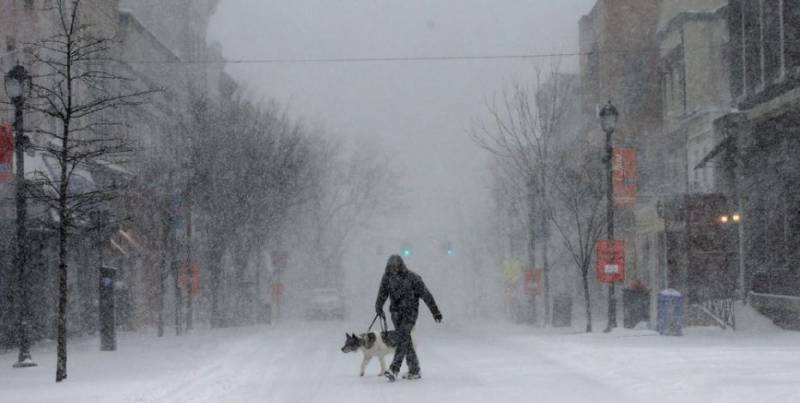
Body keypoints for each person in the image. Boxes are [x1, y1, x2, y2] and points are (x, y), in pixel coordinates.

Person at [375, 254, 442, 381]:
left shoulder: (413, 278)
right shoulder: (387, 277)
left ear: (401, 266)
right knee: (405, 340)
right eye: (391, 268)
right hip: (395, 314)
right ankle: (414, 370)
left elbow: (426, 295)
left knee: (403, 337)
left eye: (395, 267)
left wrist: (435, 312)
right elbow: (382, 294)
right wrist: (378, 307)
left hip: (410, 313)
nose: (393, 270)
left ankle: (394, 368)